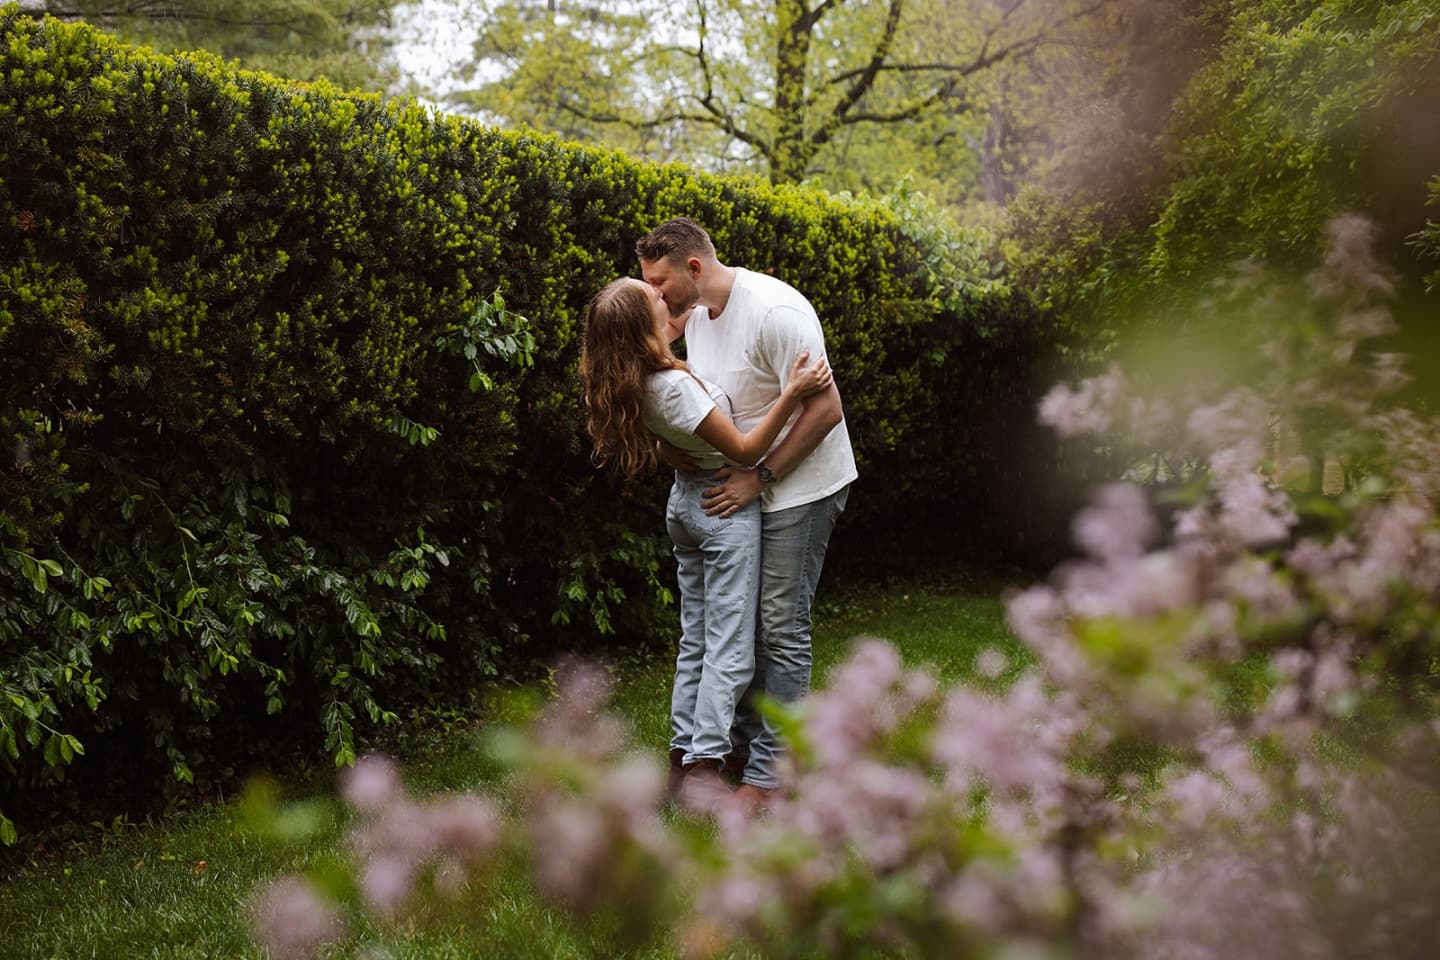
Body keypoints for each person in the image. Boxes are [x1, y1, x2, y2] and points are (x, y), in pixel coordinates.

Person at [578, 277, 834, 812]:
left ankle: (681, 754)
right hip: (721, 508)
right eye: (654, 298)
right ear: (642, 327)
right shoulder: (671, 385)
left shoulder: (637, 377)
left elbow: (668, 421)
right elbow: (744, 448)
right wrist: (792, 392)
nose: (665, 298)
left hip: (686, 504)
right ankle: (704, 763)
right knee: (730, 648)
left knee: (695, 638)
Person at [635, 218, 857, 812]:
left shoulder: (775, 313)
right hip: (743, 489)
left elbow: (826, 409)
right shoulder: (694, 316)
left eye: (659, 283)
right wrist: (667, 447)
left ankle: (772, 773)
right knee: (743, 630)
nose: (654, 295)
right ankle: (733, 752)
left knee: (781, 629)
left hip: (799, 487)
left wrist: (758, 478)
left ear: (694, 268)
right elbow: (668, 385)